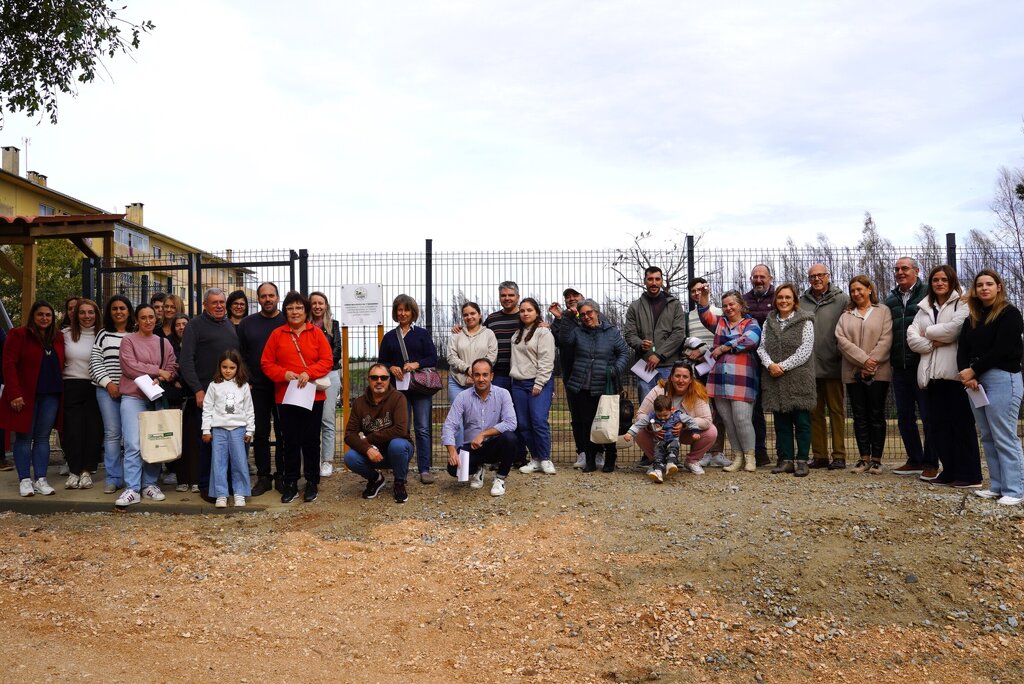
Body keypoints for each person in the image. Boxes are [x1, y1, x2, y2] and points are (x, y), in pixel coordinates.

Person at [907, 265, 980, 488]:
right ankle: (949, 470)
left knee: (961, 426)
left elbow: (955, 330)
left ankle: (970, 475)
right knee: (938, 427)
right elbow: (911, 338)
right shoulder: (924, 308)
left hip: (954, 376)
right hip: (931, 376)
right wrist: (934, 342)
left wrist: (927, 333)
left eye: (944, 279)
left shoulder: (963, 304)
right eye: (935, 280)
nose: (939, 283)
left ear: (952, 281)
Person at [957, 269, 1024, 506]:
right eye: (979, 285)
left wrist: (974, 370)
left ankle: (1015, 490)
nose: (984, 288)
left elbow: (1002, 348)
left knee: (1004, 435)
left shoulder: (1010, 314)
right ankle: (997, 486)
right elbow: (962, 349)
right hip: (976, 383)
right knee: (987, 435)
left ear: (998, 287)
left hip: (1003, 378)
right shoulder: (972, 318)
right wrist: (968, 374)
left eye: (989, 284)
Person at [261, 290, 333, 504]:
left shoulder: (316, 333)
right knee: (290, 441)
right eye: (290, 308)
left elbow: (327, 361)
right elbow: (266, 363)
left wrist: (308, 372)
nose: (295, 312)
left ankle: (312, 482)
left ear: (306, 310)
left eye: (299, 308)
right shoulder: (277, 335)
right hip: (286, 395)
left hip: (313, 395)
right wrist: (283, 374)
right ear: (285, 311)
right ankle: (291, 482)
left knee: (311, 441)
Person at [553, 298, 629, 473]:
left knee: (606, 422)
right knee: (586, 424)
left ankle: (610, 457)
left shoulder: (611, 332)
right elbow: (565, 341)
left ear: (597, 312)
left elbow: (623, 352)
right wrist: (566, 316)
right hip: (582, 385)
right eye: (583, 314)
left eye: (590, 313)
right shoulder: (577, 331)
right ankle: (590, 459)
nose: (586, 317)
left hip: (605, 385)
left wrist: (616, 369)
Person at [0, 301, 65, 497]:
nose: (44, 318)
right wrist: (14, 393)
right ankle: (25, 480)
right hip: (24, 396)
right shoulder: (18, 334)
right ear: (33, 316)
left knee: (43, 437)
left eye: (48, 315)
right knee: (24, 437)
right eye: (40, 314)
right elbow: (8, 364)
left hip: (51, 395)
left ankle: (41, 479)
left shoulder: (58, 337)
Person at [115, 304, 177, 507]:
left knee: (154, 442)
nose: (148, 321)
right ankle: (132, 488)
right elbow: (130, 366)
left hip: (155, 398)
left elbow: (172, 367)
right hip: (133, 397)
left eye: (151, 317)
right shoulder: (128, 341)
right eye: (144, 317)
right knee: (133, 443)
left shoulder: (163, 343)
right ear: (137, 319)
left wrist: (163, 377)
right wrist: (158, 371)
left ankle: (149, 484)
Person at [695, 286, 763, 473]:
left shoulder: (751, 323)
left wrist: (724, 348)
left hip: (742, 378)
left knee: (742, 419)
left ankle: (750, 457)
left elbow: (750, 341)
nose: (728, 308)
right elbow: (705, 316)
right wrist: (705, 297)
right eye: (725, 305)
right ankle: (737, 456)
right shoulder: (720, 323)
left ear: (740, 305)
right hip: (719, 379)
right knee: (728, 420)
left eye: (732, 304)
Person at [179, 288, 238, 496]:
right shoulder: (195, 326)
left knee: (227, 441)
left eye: (222, 302)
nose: (220, 306)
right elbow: (185, 361)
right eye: (215, 302)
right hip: (205, 395)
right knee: (207, 442)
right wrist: (197, 390)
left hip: (229, 395)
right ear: (205, 305)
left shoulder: (229, 325)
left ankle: (225, 485)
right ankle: (206, 486)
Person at [835, 275, 893, 475]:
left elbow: (886, 339)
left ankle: (877, 459)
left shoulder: (883, 311)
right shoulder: (846, 315)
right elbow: (841, 340)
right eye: (853, 290)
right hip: (853, 373)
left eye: (860, 289)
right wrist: (862, 360)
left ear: (869, 289)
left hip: (879, 372)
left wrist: (871, 363)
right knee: (859, 415)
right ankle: (864, 458)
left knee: (876, 414)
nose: (856, 293)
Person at [757, 284, 816, 478]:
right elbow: (761, 348)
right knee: (781, 423)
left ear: (794, 300)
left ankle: (802, 461)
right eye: (780, 297)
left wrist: (782, 366)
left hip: (798, 379)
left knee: (802, 422)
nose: (784, 301)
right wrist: (770, 365)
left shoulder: (805, 321)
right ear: (775, 300)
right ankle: (786, 461)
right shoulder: (769, 321)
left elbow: (805, 350)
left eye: (788, 297)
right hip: (774, 379)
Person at [378, 294, 439, 485]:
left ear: (413, 312)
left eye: (406, 310)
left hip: (420, 389)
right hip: (398, 392)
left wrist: (416, 364)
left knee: (422, 429)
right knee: (401, 430)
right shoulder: (389, 337)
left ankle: (424, 468)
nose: (403, 313)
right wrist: (391, 368)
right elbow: (382, 362)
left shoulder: (422, 334)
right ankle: (400, 468)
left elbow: (433, 358)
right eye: (399, 310)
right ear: (395, 312)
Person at [886, 257, 935, 478]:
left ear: (916, 271)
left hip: (924, 364)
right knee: (905, 417)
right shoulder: (891, 299)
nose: (900, 272)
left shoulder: (928, 293)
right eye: (896, 269)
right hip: (900, 366)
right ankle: (914, 459)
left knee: (928, 416)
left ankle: (931, 462)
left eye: (904, 268)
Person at [442, 358, 519, 496]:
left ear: (492, 376)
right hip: (472, 447)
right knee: (453, 468)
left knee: (510, 438)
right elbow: (449, 425)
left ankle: (500, 478)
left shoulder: (503, 394)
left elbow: (511, 422)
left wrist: (483, 434)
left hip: (495, 445)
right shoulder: (462, 397)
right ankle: (479, 468)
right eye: (477, 375)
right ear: (472, 376)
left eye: (485, 375)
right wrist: (452, 451)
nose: (481, 379)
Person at [237, 282, 286, 496]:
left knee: (285, 433)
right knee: (261, 434)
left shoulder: (287, 320)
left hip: (285, 386)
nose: (268, 299)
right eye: (263, 296)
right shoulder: (247, 324)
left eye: (271, 295)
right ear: (258, 299)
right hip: (256, 386)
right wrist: (245, 379)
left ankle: (283, 475)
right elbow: (240, 355)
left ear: (277, 297)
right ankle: (264, 476)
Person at [632, 362, 718, 479]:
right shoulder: (659, 390)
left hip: (686, 433)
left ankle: (692, 461)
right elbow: (640, 415)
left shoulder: (698, 392)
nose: (681, 380)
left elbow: (707, 420)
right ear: (671, 377)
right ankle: (657, 462)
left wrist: (684, 425)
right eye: (677, 376)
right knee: (639, 430)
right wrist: (652, 426)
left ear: (690, 380)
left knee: (711, 431)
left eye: (685, 377)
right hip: (661, 434)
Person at [343, 363, 413, 504]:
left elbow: (401, 429)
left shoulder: (398, 398)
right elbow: (349, 434)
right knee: (350, 457)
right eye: (374, 377)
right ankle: (376, 479)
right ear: (368, 380)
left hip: (398, 451)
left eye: (384, 377)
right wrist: (367, 448)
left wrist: (370, 439)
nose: (379, 381)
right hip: (373, 452)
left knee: (397, 445)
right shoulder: (359, 403)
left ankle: (399, 482)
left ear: (389, 380)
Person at [801, 264, 849, 470]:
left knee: (837, 412)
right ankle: (819, 455)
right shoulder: (802, 302)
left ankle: (839, 455)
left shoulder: (842, 299)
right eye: (812, 276)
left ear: (828, 276)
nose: (817, 279)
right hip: (809, 367)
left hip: (834, 365)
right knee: (814, 412)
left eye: (820, 275)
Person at [90, 295, 134, 494]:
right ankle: (113, 478)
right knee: (112, 434)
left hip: (133, 393)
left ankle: (131, 477)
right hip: (107, 391)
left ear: (128, 311)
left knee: (131, 436)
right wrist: (109, 384)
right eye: (114, 308)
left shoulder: (136, 333)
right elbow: (95, 362)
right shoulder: (103, 334)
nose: (118, 312)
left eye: (122, 308)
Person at [624, 266, 687, 401]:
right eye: (650, 279)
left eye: (657, 279)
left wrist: (659, 355)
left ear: (662, 281)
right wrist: (640, 344)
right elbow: (629, 334)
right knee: (646, 406)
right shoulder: (635, 307)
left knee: (670, 406)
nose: (654, 283)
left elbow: (679, 333)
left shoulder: (674, 304)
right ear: (644, 281)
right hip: (644, 365)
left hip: (669, 365)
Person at [202, 349, 255, 508]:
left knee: (239, 462)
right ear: (219, 367)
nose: (228, 371)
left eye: (232, 367)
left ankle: (239, 493)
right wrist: (206, 430)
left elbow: (249, 409)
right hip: (219, 430)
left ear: (238, 368)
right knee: (218, 463)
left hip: (238, 429)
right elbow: (207, 408)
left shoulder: (243, 386)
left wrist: (250, 430)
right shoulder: (214, 386)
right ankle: (221, 494)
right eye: (224, 367)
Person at [686, 278, 730, 469]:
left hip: (718, 366)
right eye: (693, 291)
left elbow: (723, 339)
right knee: (699, 410)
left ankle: (717, 452)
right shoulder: (688, 316)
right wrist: (692, 352)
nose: (697, 293)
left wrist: (706, 351)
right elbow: (685, 340)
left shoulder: (720, 313)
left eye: (700, 290)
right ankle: (701, 452)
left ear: (707, 290)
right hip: (698, 370)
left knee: (719, 411)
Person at [511, 297, 556, 475]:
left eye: (529, 310)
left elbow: (546, 360)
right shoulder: (517, 335)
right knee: (523, 423)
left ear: (537, 312)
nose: (525, 313)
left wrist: (539, 383)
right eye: (522, 311)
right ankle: (536, 458)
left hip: (538, 382)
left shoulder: (543, 333)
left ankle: (545, 458)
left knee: (538, 421)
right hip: (518, 384)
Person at [549, 288, 593, 469]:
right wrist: (560, 319)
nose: (571, 299)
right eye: (567, 297)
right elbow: (561, 340)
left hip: (592, 374)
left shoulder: (591, 315)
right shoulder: (561, 320)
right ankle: (582, 452)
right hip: (571, 375)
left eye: (575, 295)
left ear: (583, 298)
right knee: (577, 415)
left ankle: (597, 452)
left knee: (595, 414)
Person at [61, 298, 102, 489]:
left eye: (91, 312)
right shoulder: (65, 334)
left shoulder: (102, 335)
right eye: (82, 312)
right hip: (71, 386)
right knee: (72, 430)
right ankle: (74, 470)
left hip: (96, 386)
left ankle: (87, 471)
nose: (87, 316)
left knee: (93, 430)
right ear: (76, 315)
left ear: (97, 314)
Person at [446, 301, 498, 448]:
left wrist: (476, 374)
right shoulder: (456, 335)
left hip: (480, 382)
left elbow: (492, 357)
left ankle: (478, 456)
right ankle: (461, 455)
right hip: (457, 382)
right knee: (458, 421)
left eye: (472, 313)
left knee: (478, 420)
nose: (469, 317)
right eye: (466, 315)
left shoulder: (489, 334)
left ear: (479, 315)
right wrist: (468, 369)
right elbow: (451, 357)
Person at [624, 394, 702, 483]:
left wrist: (695, 431)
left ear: (671, 410)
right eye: (659, 415)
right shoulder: (651, 416)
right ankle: (658, 473)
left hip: (673, 439)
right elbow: (639, 424)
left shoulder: (677, 414)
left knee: (672, 450)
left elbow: (690, 421)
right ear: (655, 411)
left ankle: (670, 465)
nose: (662, 418)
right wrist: (629, 433)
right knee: (658, 456)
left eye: (665, 415)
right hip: (659, 441)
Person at [742, 264, 775, 466]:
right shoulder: (744, 300)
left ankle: (786, 452)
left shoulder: (779, 297)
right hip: (751, 361)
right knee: (754, 408)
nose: (759, 280)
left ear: (770, 278)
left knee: (781, 407)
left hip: (775, 360)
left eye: (762, 276)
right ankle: (758, 452)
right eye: (755, 277)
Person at [310, 291, 342, 477]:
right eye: (313, 303)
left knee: (327, 419)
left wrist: (319, 366)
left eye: (320, 303)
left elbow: (336, 351)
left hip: (329, 375)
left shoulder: (333, 325)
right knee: (308, 419)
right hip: (307, 377)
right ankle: (311, 459)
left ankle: (327, 461)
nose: (317, 306)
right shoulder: (303, 325)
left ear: (326, 305)